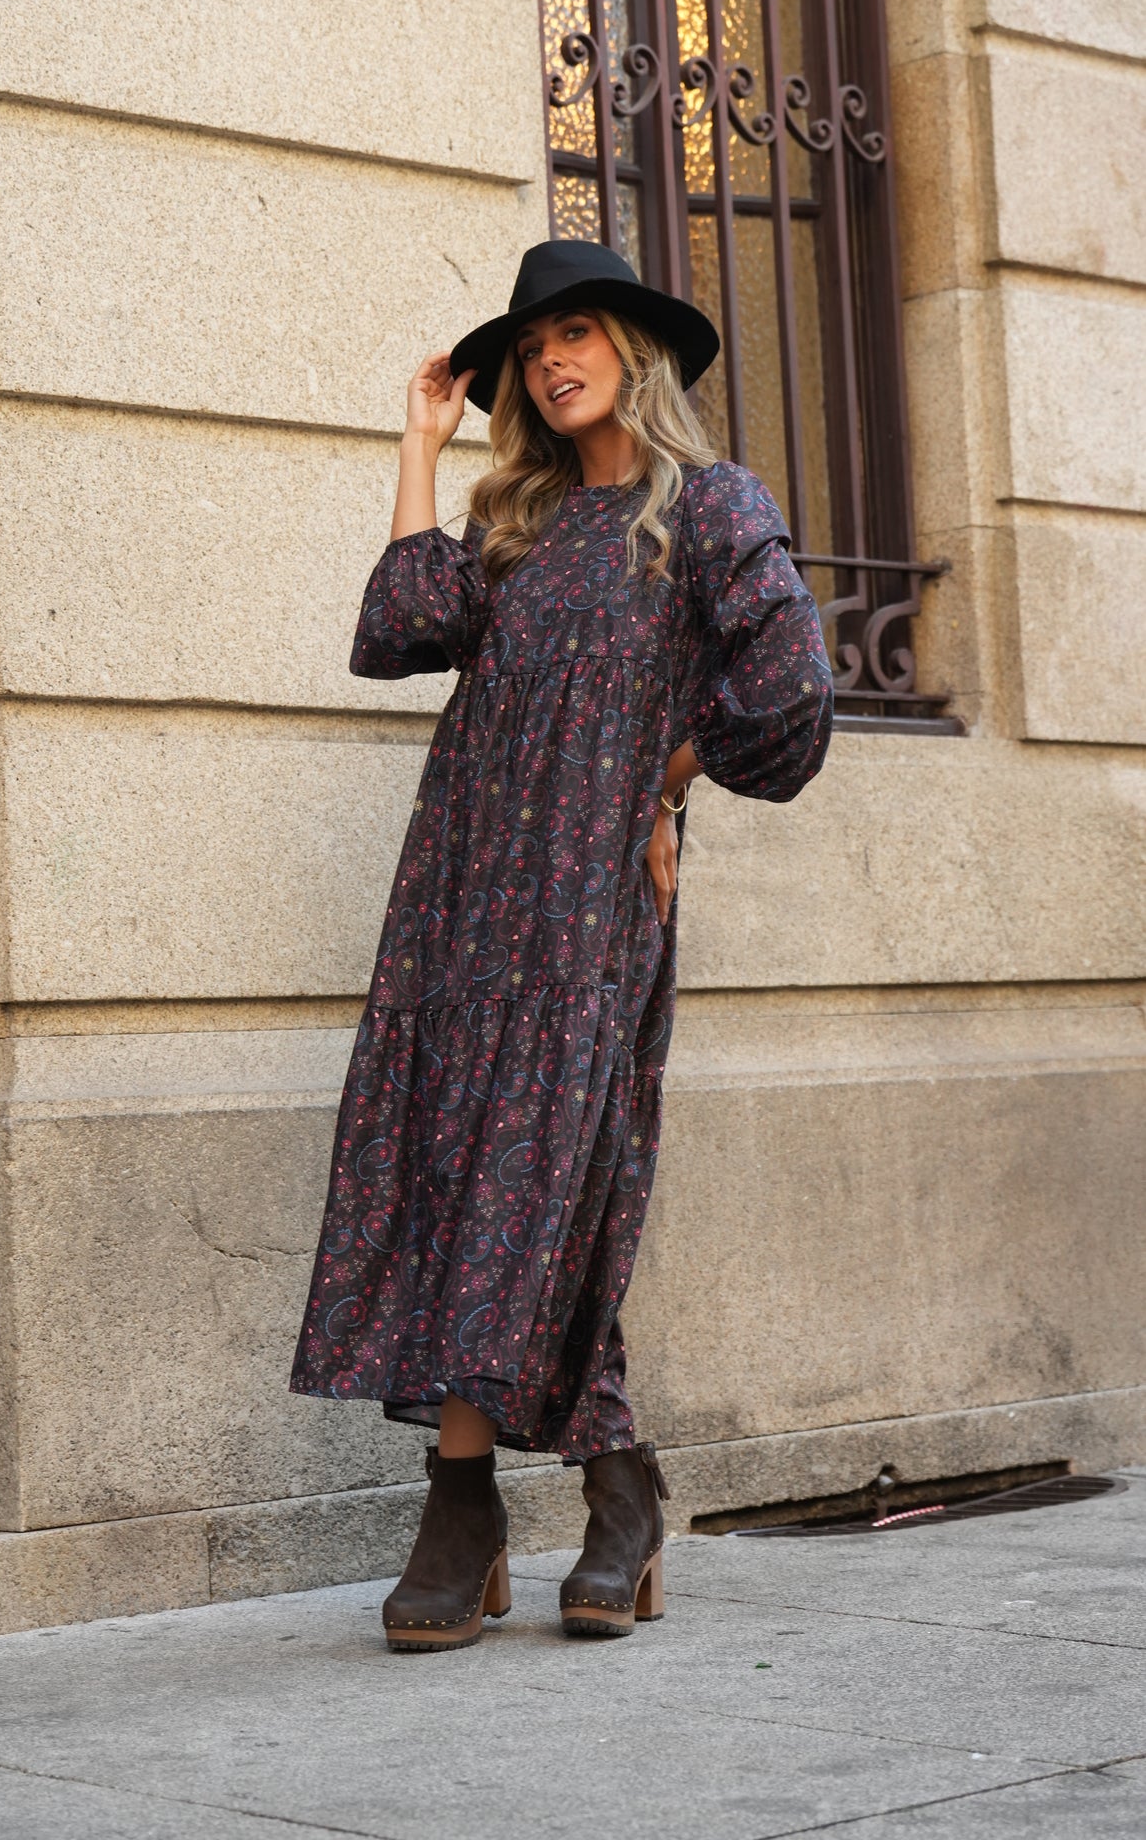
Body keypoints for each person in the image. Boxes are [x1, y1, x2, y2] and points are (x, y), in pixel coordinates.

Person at [290, 240, 834, 1651]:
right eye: (530, 350)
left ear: (631, 352)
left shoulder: (708, 506)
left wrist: (668, 780)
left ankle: (493, 1499)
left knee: (549, 1180)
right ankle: (563, 1496)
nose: (547, 363)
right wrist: (422, 444)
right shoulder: (519, 525)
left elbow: (792, 689)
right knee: (463, 1169)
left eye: (573, 334)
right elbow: (400, 629)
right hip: (463, 890)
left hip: (593, 899)